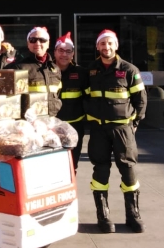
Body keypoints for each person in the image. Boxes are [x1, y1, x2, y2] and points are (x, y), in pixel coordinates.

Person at [85, 29, 147, 234]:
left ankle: (133, 215)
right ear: (97, 47)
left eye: (110, 43)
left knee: (128, 170)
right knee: (100, 170)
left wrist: (133, 125)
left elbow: (141, 101)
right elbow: (85, 97)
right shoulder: (91, 70)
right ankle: (103, 217)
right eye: (102, 44)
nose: (106, 47)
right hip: (99, 130)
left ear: (116, 46)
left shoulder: (129, 70)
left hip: (122, 129)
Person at [7, 27, 62, 116]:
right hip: (29, 122)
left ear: (48, 44)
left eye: (42, 40)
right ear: (28, 44)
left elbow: (57, 94)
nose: (37, 43)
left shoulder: (55, 69)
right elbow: (11, 100)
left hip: (51, 120)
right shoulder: (19, 67)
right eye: (33, 40)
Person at [53, 32, 88, 172]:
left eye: (68, 51)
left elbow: (89, 98)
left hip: (75, 127)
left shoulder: (81, 73)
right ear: (54, 52)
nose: (64, 54)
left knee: (72, 165)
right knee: (52, 165)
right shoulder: (45, 71)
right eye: (60, 50)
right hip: (51, 128)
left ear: (73, 54)